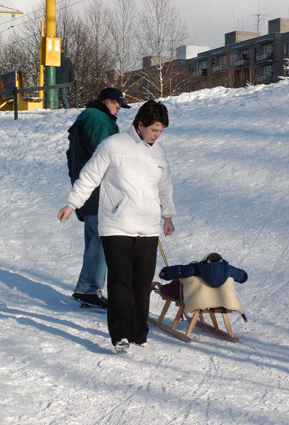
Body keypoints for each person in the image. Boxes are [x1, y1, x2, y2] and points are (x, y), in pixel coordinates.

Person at [58, 100, 176, 353]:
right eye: (154, 129)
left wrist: (168, 216)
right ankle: (121, 335)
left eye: (161, 131)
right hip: (116, 225)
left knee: (142, 283)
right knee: (121, 280)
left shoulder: (159, 153)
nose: (158, 135)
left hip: (147, 227)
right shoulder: (113, 145)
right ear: (140, 124)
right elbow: (90, 176)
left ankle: (138, 332)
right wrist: (72, 204)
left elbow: (164, 187)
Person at [67, 87, 131, 309]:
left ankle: (87, 288)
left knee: (95, 238)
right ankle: (88, 290)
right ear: (107, 101)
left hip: (87, 186)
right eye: (116, 105)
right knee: (101, 239)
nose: (118, 111)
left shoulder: (87, 117)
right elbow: (108, 155)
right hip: (98, 189)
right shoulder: (98, 120)